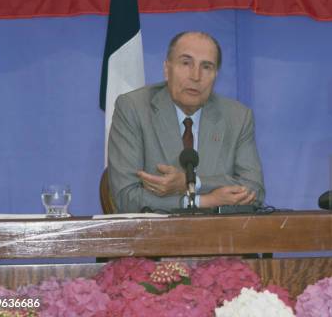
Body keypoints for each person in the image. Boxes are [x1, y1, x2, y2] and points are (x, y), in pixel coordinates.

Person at [108, 31, 264, 212]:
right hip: (156, 237)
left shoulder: (237, 117)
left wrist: (192, 183)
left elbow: (254, 190)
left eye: (206, 67)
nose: (195, 76)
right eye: (186, 63)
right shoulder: (134, 109)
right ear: (167, 69)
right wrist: (202, 201)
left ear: (215, 75)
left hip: (220, 237)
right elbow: (126, 197)